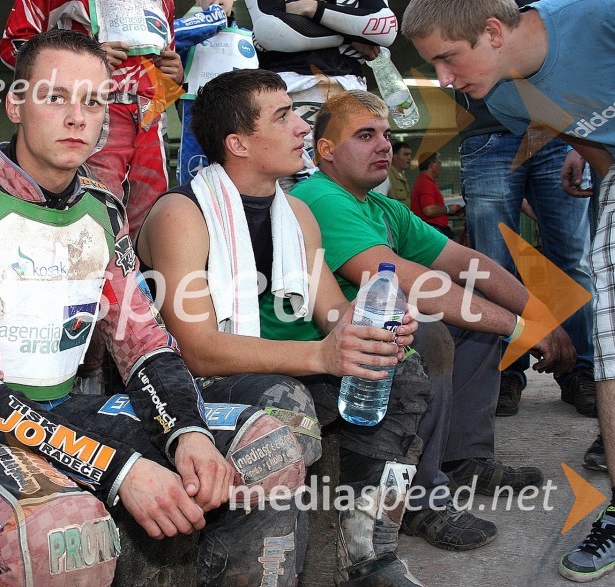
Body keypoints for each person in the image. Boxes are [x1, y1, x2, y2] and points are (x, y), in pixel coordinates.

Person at [0, 30, 309, 587]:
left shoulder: (103, 208)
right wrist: (120, 471)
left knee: (265, 449)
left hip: (63, 407)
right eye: (55, 97)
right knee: (68, 534)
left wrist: (188, 431)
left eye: (93, 102)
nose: (76, 118)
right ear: (15, 105)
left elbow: (144, 341)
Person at [136, 67, 452, 586]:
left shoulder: (297, 214)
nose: (303, 127)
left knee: (402, 374)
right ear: (238, 143)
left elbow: (332, 312)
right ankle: (249, 568)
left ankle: (369, 554)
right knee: (286, 401)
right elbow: (196, 349)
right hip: (187, 392)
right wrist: (322, 356)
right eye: (283, 117)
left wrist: (375, 325)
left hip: (260, 371)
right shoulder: (182, 213)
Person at [288, 89, 577, 559]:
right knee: (429, 329)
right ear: (327, 150)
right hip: (317, 346)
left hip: (367, 336)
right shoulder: (320, 196)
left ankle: (464, 458)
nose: (384, 145)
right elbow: (405, 279)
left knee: (475, 317)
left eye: (386, 135)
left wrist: (541, 318)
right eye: (366, 136)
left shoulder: (381, 207)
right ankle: (419, 499)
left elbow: (469, 263)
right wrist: (520, 328)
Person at [402, 0, 615, 580]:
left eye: (447, 59)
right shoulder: (499, 99)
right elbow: (577, 127)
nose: (442, 81)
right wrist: (600, 169)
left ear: (494, 32)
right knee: (611, 320)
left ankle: (577, 370)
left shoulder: (599, 17)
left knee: (574, 264)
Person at [455, 88, 595, 418]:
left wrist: (582, 135)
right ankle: (505, 372)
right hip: (488, 129)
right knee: (493, 265)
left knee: (572, 261)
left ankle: (580, 370)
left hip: (559, 129)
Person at [0, 0, 183, 241]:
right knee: (92, 215)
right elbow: (16, 44)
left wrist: (176, 74)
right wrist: (84, 61)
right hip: (94, 106)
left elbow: (167, 61)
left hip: (151, 114)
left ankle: (134, 268)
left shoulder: (165, 2)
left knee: (152, 220)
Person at [245, 0, 397, 188]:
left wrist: (313, 8)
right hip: (291, 90)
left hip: (352, 92)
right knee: (289, 190)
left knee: (357, 185)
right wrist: (351, 35)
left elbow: (384, 29)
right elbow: (272, 29)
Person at [173, 0, 258, 184]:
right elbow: (166, 38)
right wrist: (211, 20)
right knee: (193, 188)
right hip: (196, 129)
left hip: (238, 124)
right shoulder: (184, 32)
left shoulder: (250, 37)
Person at [410, 152, 462, 239]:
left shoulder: (424, 181)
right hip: (433, 230)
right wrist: (448, 209)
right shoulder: (426, 183)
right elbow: (429, 210)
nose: (440, 166)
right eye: (439, 162)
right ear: (432, 165)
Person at [385, 140, 413, 207]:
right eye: (405, 154)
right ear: (395, 157)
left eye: (410, 155)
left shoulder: (401, 175)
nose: (409, 158)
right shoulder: (386, 176)